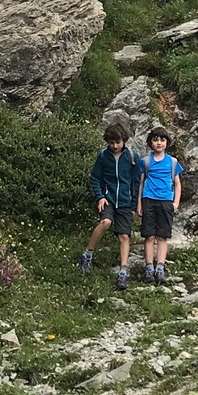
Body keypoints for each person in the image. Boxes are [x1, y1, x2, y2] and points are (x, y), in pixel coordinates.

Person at [79, 123, 140, 290]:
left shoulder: (133, 157)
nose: (114, 146)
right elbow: (95, 178)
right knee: (105, 222)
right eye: (111, 142)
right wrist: (100, 197)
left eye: (117, 142)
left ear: (124, 140)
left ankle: (123, 272)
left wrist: (134, 205)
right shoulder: (103, 156)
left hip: (126, 202)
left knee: (124, 236)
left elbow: (136, 182)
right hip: (108, 199)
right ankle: (87, 255)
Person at [137, 126, 182, 284]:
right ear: (150, 142)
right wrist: (139, 204)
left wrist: (175, 203)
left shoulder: (173, 162)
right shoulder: (145, 161)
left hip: (165, 201)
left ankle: (160, 267)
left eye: (162, 140)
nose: (159, 143)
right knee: (149, 235)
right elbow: (141, 184)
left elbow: (177, 184)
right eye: (155, 140)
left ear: (167, 143)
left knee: (162, 236)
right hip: (148, 199)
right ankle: (149, 267)